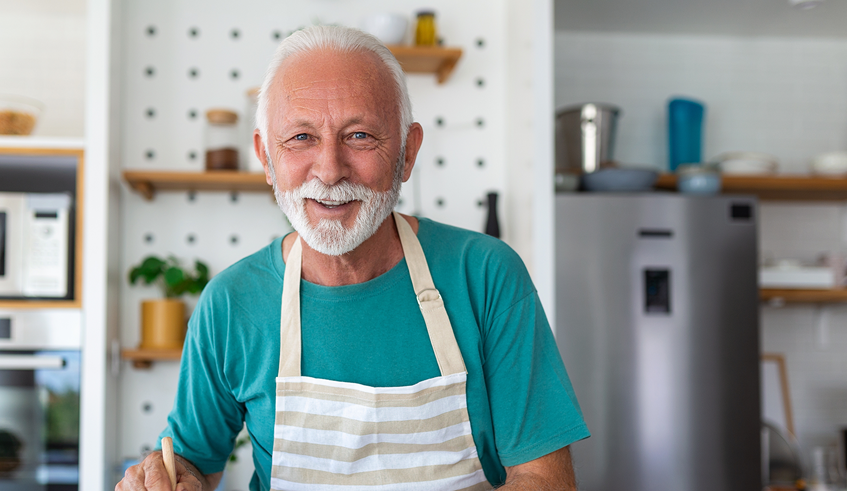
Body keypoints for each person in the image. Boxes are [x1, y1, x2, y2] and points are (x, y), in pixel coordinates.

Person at [117, 25, 589, 491]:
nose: (329, 170)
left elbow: (544, 479)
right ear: (266, 158)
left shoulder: (486, 275)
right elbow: (193, 463)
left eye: (360, 136)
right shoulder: (231, 303)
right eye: (300, 137)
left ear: (407, 153)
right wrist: (170, 481)